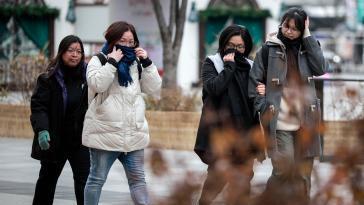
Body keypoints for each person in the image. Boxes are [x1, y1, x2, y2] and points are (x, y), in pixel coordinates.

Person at [248, 7, 327, 199]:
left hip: (306, 123)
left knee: (303, 174)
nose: (289, 31)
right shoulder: (268, 49)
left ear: (303, 30)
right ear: (281, 24)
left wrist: (308, 37)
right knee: (283, 170)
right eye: (286, 26)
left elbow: (321, 68)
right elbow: (254, 82)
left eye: (295, 28)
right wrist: (263, 105)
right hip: (279, 122)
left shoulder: (309, 47)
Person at [82, 21, 162, 205]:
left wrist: (148, 63)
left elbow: (153, 88)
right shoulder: (99, 60)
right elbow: (96, 84)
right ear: (112, 41)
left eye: (131, 42)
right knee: (96, 179)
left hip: (133, 133)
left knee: (138, 180)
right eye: (122, 41)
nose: (127, 45)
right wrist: (112, 63)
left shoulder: (137, 64)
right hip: (105, 132)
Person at [194, 25, 261, 205]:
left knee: (243, 184)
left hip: (245, 133)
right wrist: (229, 67)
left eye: (240, 47)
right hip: (220, 134)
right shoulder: (212, 62)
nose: (235, 50)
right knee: (216, 180)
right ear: (223, 44)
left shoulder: (251, 66)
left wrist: (262, 90)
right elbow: (214, 88)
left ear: (246, 47)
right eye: (231, 45)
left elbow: (255, 99)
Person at [30, 35, 90, 205]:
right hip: (54, 139)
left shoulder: (89, 77)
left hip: (80, 141)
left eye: (79, 51)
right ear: (62, 52)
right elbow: (38, 106)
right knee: (46, 182)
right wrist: (42, 130)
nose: (75, 55)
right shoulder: (49, 78)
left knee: (84, 183)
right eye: (70, 50)